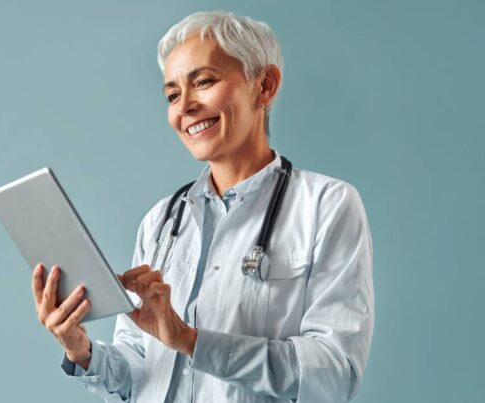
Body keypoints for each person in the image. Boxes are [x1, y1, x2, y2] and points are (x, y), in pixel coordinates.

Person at [30, 10, 374, 403]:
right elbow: (139, 371)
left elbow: (334, 373)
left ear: (265, 86)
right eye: (173, 95)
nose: (185, 106)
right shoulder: (161, 221)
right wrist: (80, 349)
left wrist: (192, 341)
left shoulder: (326, 207)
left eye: (204, 82)